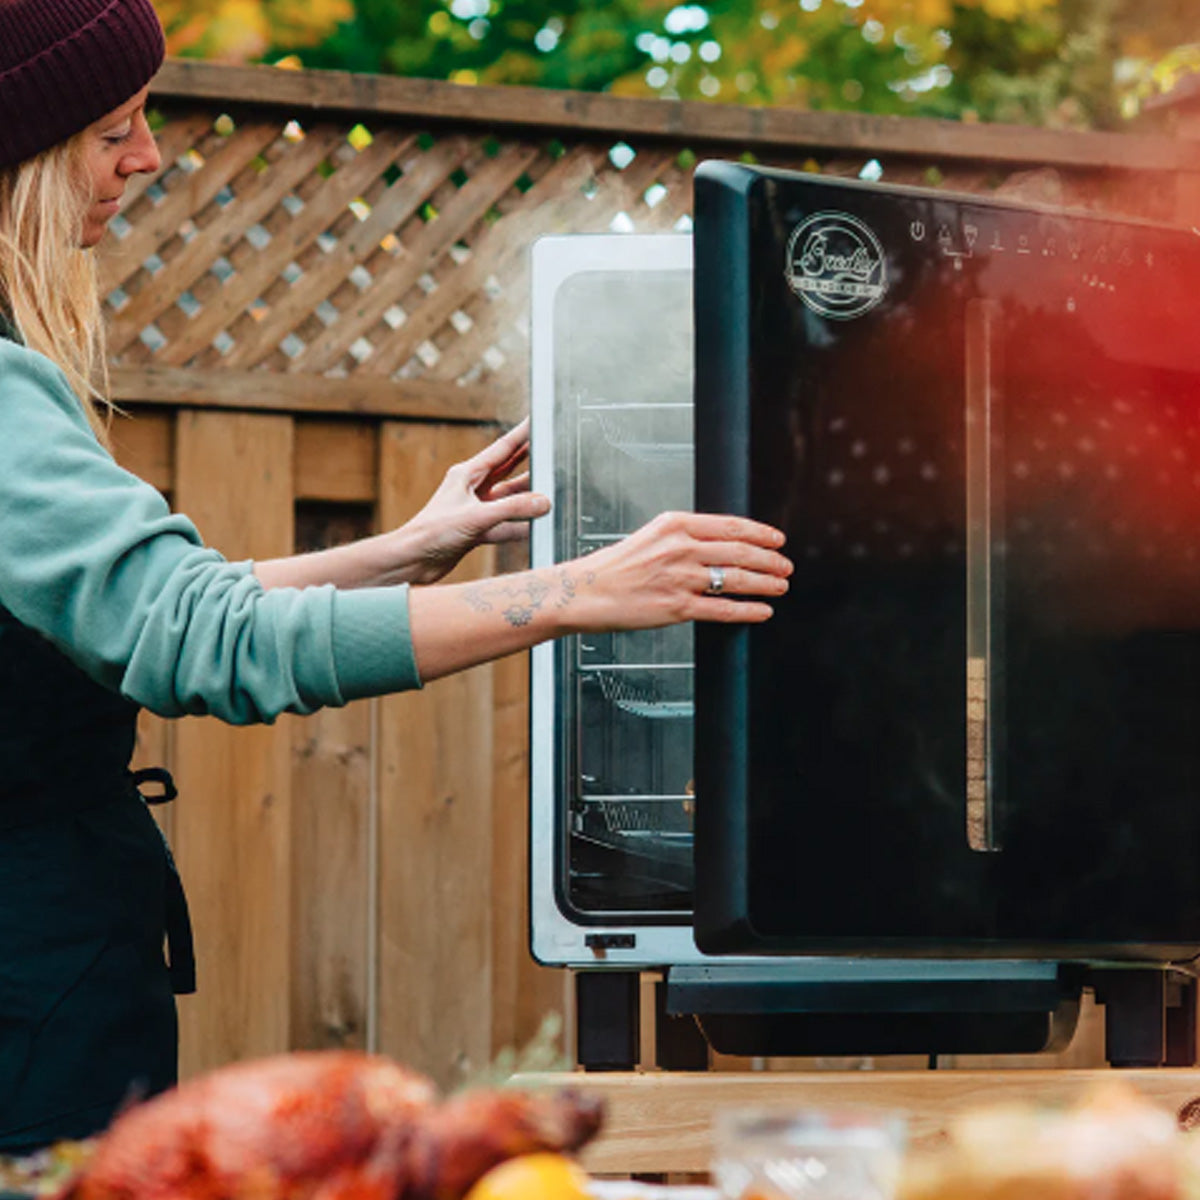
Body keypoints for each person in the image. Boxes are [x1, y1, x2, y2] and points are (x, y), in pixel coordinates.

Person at [0, 0, 793, 1154]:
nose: (148, 155)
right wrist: (572, 593)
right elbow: (196, 641)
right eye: (113, 127)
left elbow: (135, 613)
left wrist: (405, 550)